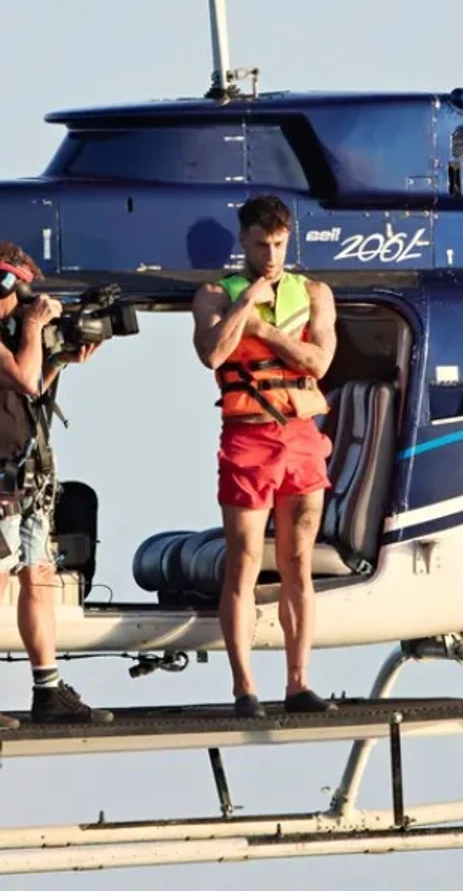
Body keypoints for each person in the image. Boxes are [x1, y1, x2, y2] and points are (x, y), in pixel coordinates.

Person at [0, 240, 110, 730]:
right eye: (20, 296)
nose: (25, 309)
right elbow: (24, 380)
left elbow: (33, 383)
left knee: (40, 577)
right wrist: (33, 327)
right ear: (0, 284)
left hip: (25, 479)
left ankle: (47, 688)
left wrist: (61, 359)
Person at [191, 195, 340, 718]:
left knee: (298, 560)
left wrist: (265, 331)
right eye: (262, 245)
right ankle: (244, 687)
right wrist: (245, 306)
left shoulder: (315, 293)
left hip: (300, 433)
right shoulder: (215, 293)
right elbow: (212, 353)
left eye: (279, 244)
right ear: (244, 242)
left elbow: (319, 362)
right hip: (248, 437)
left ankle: (299, 683)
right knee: (246, 560)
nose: (272, 254)